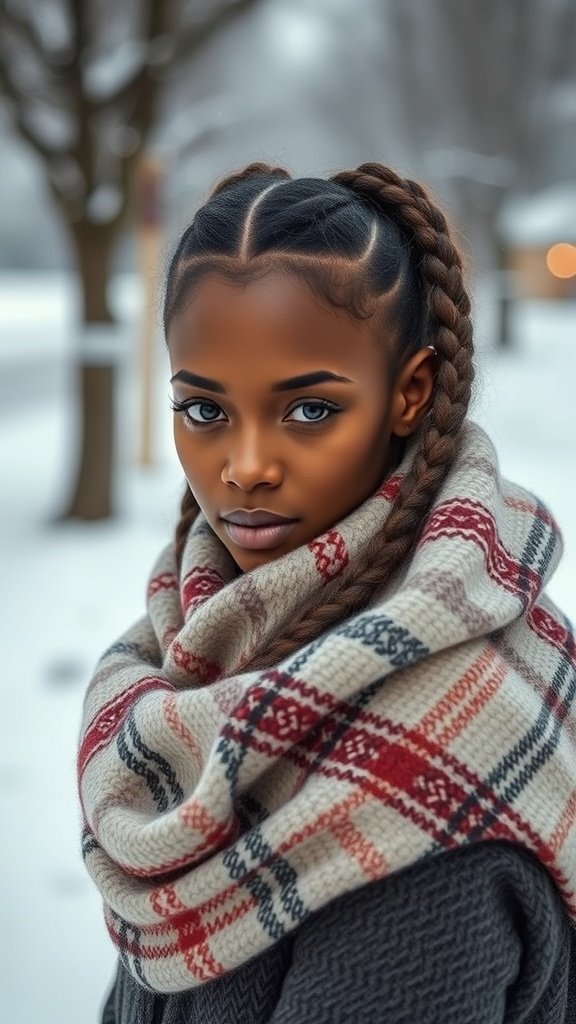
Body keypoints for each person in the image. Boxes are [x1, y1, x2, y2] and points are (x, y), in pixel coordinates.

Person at [78, 162, 576, 1024]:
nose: (245, 468)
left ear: (409, 394)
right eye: (204, 410)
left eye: (308, 410)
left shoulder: (429, 801)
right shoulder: (195, 649)